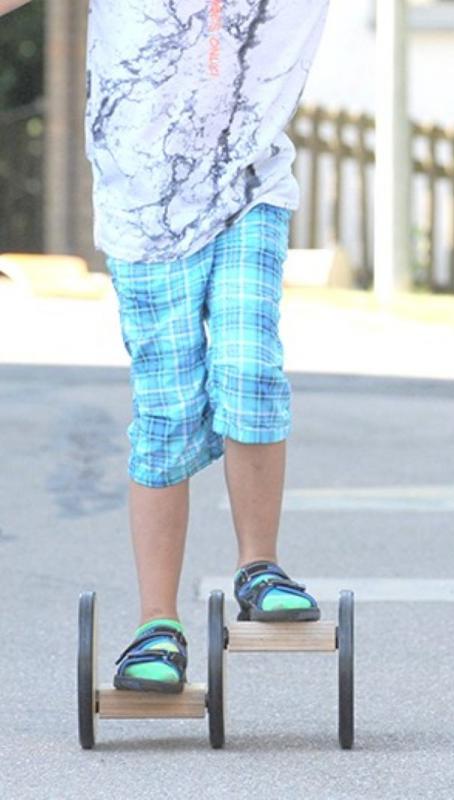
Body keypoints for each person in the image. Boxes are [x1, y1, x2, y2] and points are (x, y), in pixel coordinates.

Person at [1, 0, 330, 692]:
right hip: (142, 209)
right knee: (167, 411)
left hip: (249, 192)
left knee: (250, 367)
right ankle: (158, 623)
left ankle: (258, 568)